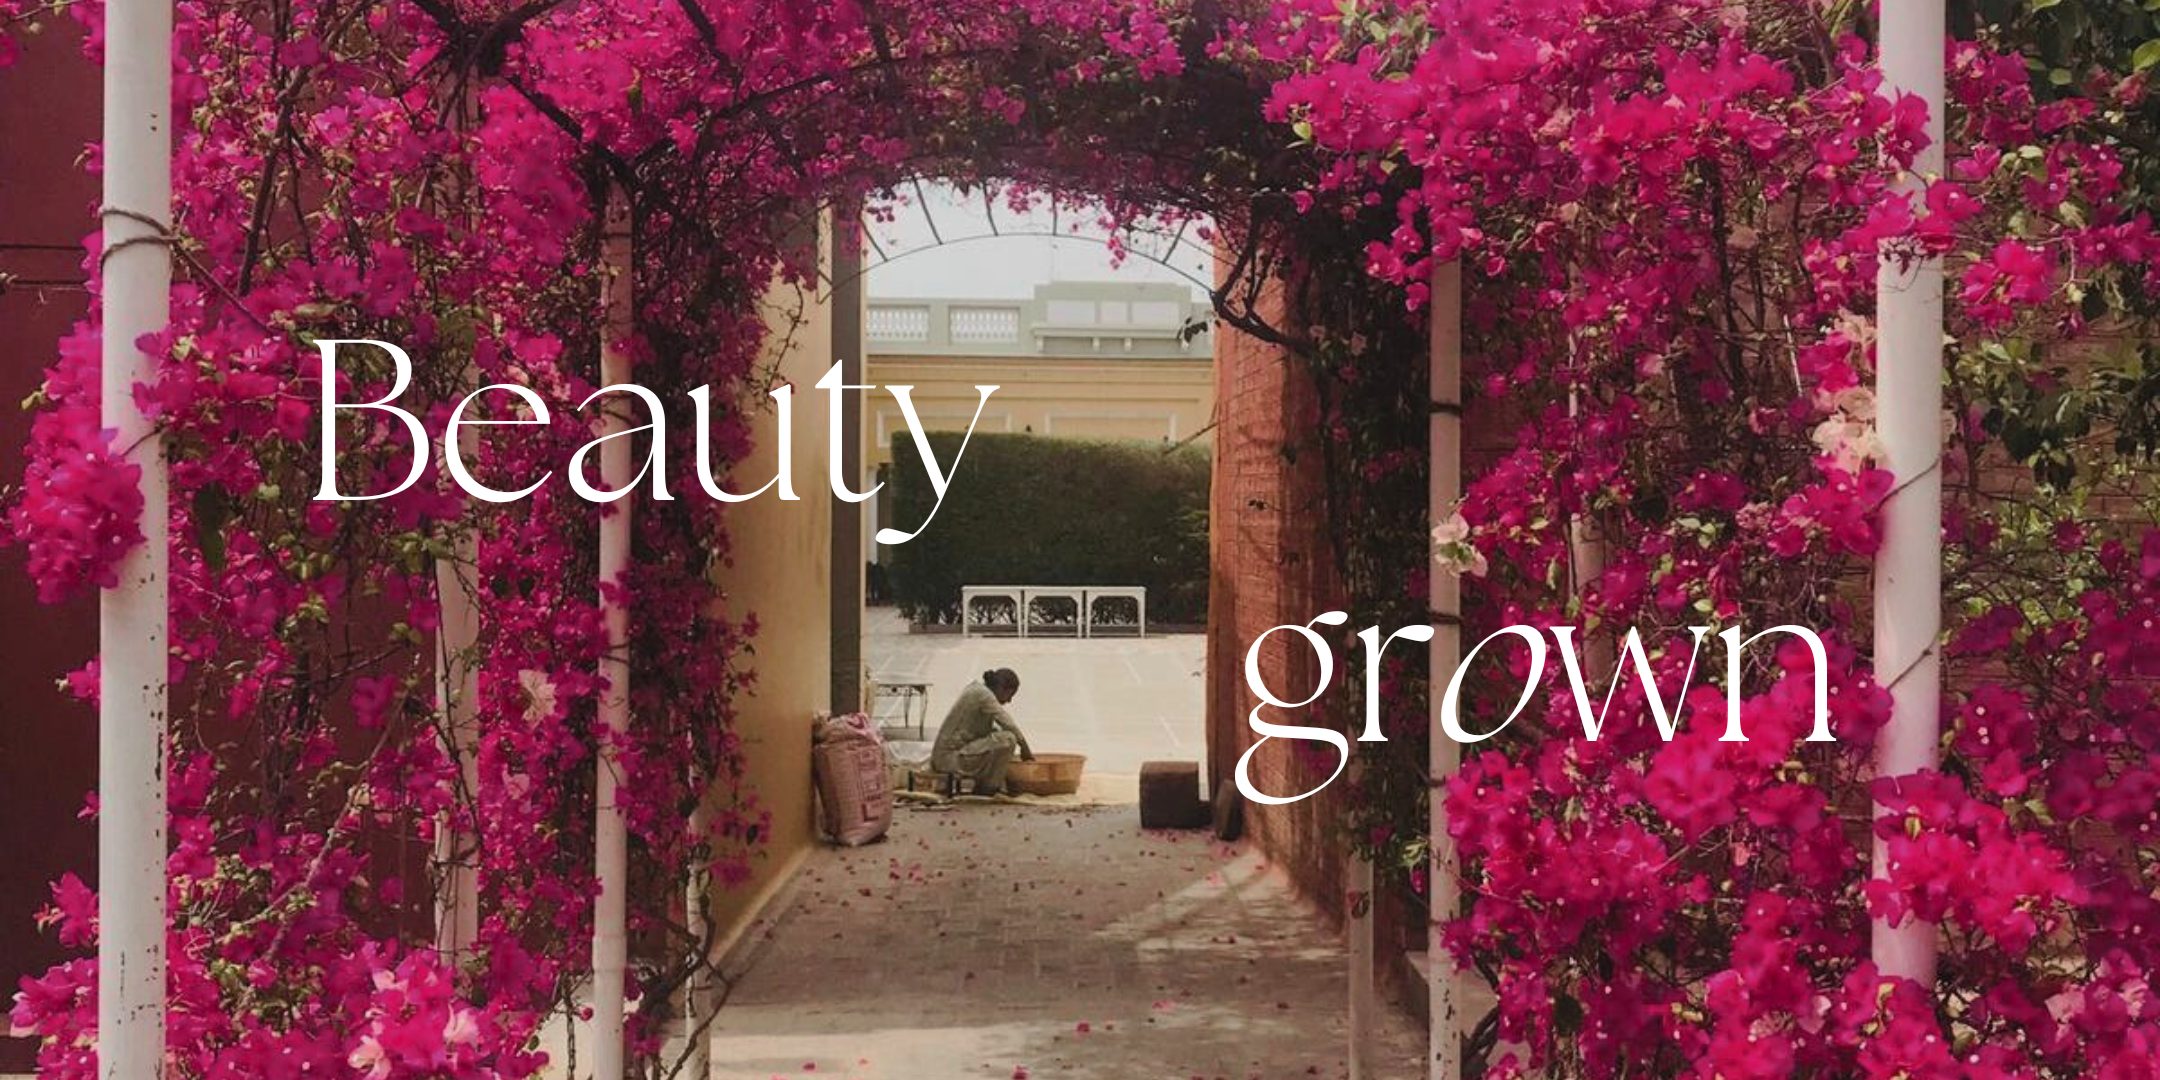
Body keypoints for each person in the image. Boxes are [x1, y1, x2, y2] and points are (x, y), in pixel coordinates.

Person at [930, 668, 1034, 795]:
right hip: (949, 760)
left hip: (948, 756)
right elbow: (1007, 722)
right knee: (1008, 739)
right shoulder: (982, 695)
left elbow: (989, 730)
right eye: (1010, 695)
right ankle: (989, 788)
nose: (1009, 701)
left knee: (1001, 739)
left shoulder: (976, 690)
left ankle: (988, 785)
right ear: (1002, 688)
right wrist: (1024, 748)